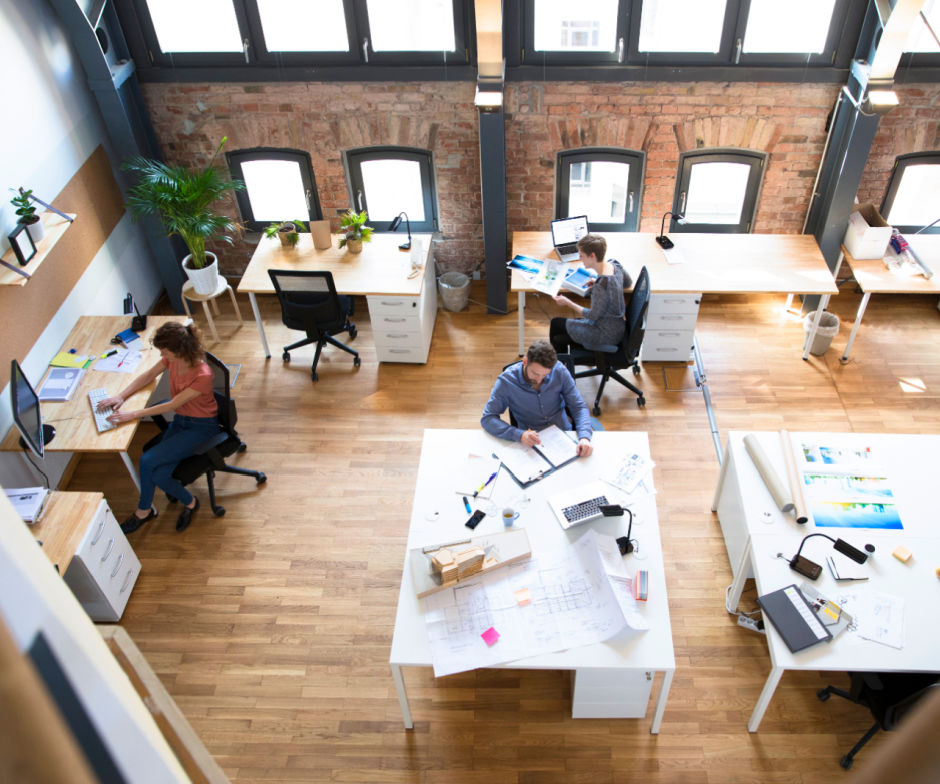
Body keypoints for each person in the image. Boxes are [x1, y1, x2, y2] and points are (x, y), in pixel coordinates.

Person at [97, 322, 218, 534]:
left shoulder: (203, 375)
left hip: (201, 427)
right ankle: (191, 502)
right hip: (181, 421)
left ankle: (143, 511)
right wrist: (121, 396)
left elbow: (172, 405)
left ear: (179, 350)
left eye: (164, 351)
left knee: (147, 461)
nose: (162, 354)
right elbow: (147, 376)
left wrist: (131, 414)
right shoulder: (171, 360)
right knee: (160, 475)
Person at [481, 340, 593, 457]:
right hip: (531, 443)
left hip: (563, 436)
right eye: (535, 374)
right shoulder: (506, 382)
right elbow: (488, 418)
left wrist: (585, 437)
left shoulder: (559, 371)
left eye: (545, 375)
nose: (539, 380)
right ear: (525, 361)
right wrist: (519, 434)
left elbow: (578, 407)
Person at [549, 233, 630, 354]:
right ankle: (563, 363)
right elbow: (627, 282)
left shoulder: (602, 286)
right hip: (617, 327)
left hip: (605, 333)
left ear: (592, 256)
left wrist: (567, 302)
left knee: (556, 329)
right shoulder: (614, 265)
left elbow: (592, 315)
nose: (580, 259)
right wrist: (597, 281)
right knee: (557, 326)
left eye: (581, 256)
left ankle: (564, 366)